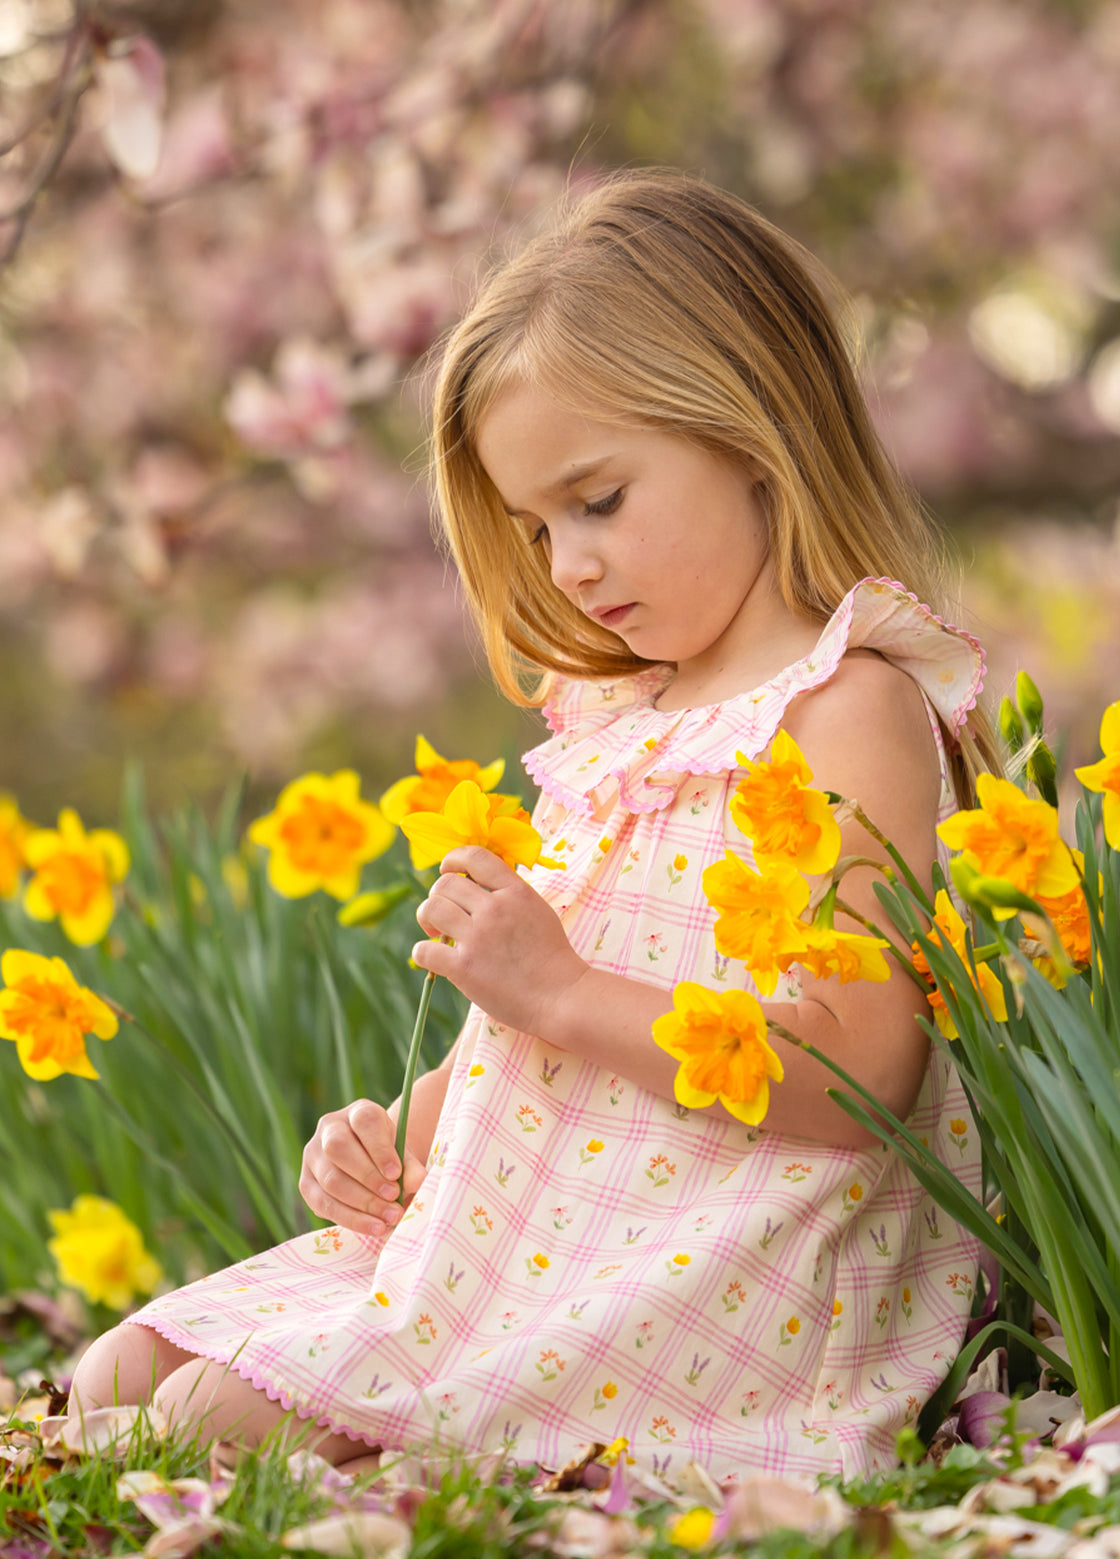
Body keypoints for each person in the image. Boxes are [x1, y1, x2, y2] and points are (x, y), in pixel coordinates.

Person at [69, 168, 994, 1482]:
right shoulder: (610, 715)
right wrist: (411, 1127)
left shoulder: (847, 710)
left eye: (599, 501)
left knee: (189, 1433)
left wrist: (560, 990)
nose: (568, 567)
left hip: (723, 1256)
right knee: (117, 1374)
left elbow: (863, 1076)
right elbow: (538, 1045)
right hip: (544, 1219)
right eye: (537, 526)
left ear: (752, 431)